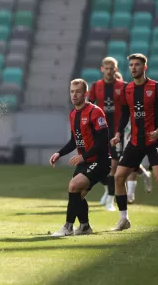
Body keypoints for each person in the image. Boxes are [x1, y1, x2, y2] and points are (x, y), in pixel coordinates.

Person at [110, 53, 158, 231]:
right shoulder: (127, 90)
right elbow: (125, 114)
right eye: (131, 65)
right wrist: (118, 133)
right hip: (135, 141)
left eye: (137, 65)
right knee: (118, 177)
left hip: (153, 141)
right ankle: (124, 219)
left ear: (145, 67)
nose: (133, 68)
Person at [50, 78, 111, 237]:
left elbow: (102, 140)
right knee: (77, 194)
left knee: (73, 186)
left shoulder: (95, 112)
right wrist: (59, 153)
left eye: (78, 91)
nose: (74, 95)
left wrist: (84, 156)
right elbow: (74, 141)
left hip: (100, 161)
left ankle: (67, 227)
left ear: (86, 94)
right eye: (72, 91)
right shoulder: (73, 114)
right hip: (85, 161)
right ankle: (84, 226)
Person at [88, 57, 125, 211]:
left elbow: (128, 108)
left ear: (115, 70)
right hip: (100, 132)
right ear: (102, 69)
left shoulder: (123, 87)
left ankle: (110, 199)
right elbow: (88, 106)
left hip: (116, 132)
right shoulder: (96, 86)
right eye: (107, 68)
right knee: (98, 166)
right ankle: (107, 190)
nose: (109, 71)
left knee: (113, 167)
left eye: (112, 68)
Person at [114, 71, 152, 203]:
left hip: (130, 131)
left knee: (128, 161)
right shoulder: (111, 95)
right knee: (122, 161)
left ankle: (130, 193)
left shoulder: (129, 92)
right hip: (117, 131)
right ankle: (145, 174)